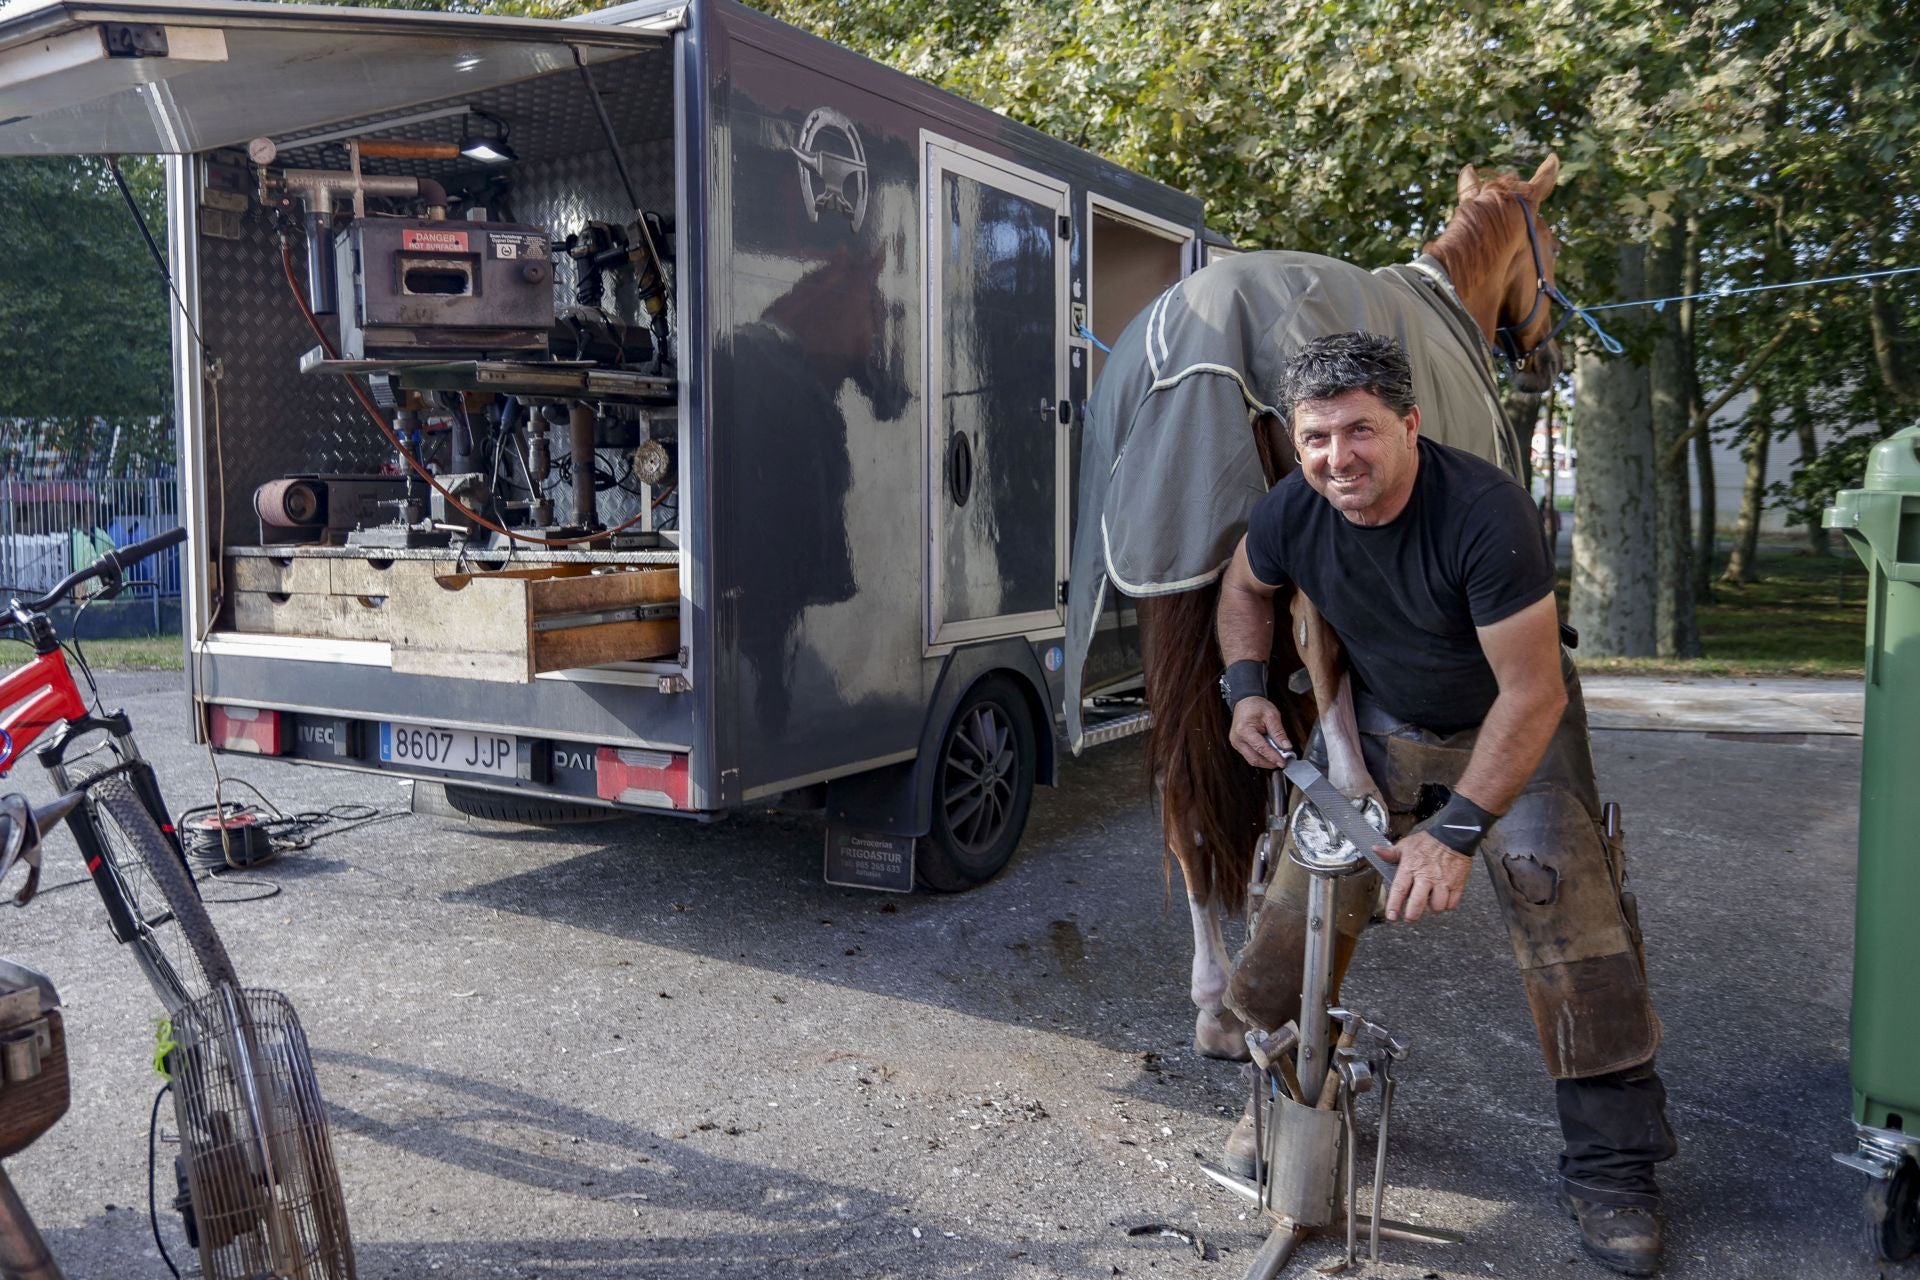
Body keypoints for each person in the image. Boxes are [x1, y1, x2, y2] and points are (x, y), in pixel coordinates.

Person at [1214, 332, 1677, 1277]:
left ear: (1410, 425)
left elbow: (1535, 695)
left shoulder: (1485, 514)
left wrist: (1456, 832)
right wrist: (1247, 688)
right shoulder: (1294, 509)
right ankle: (1293, 1099)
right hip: (1384, 721)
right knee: (1302, 903)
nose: (1337, 457)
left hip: (1513, 721)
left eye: (1359, 431)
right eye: (1315, 437)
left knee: (1561, 898)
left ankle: (1613, 1168)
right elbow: (1243, 588)